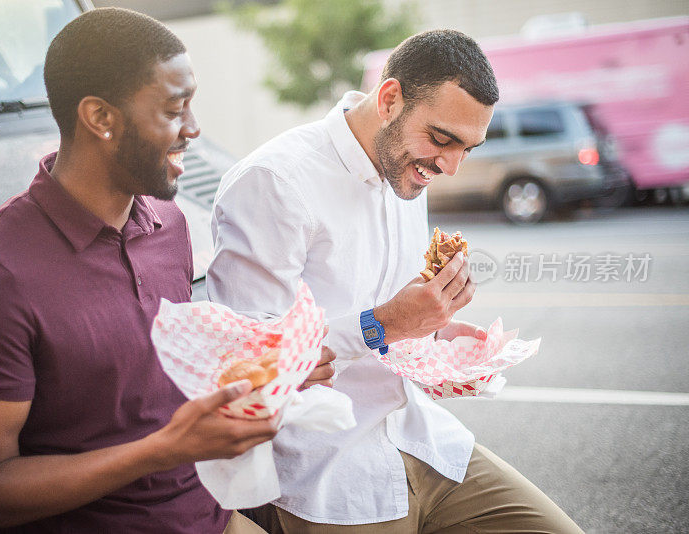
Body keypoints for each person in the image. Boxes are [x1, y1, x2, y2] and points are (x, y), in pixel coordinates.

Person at [0, 8, 332, 533]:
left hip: (213, 515)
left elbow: (146, 378)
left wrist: (265, 373)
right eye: (173, 109)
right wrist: (163, 450)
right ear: (100, 118)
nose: (193, 129)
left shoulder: (169, 221)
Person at [207, 30, 583, 533]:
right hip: (325, 473)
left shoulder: (406, 170)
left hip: (421, 437)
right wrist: (383, 325)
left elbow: (386, 316)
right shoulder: (275, 181)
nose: (450, 166)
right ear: (389, 100)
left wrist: (434, 334)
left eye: (468, 149)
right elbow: (250, 363)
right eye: (443, 139)